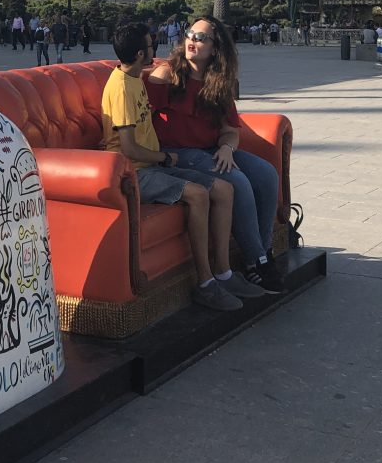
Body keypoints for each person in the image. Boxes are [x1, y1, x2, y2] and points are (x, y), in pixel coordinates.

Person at [102, 22, 263, 312]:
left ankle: (224, 273)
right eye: (152, 46)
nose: (159, 49)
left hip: (156, 162)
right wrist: (166, 158)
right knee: (202, 193)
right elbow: (128, 149)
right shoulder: (122, 87)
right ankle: (206, 283)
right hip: (137, 169)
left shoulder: (138, 78)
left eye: (200, 37)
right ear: (141, 54)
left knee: (224, 190)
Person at [146, 16, 284, 294]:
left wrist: (226, 147)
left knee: (267, 173)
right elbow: (141, 118)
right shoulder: (167, 74)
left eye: (200, 37)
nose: (192, 41)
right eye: (190, 34)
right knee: (238, 181)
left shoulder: (218, 82)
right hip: (177, 153)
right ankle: (256, 261)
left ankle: (264, 250)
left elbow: (230, 129)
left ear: (216, 48)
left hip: (210, 149)